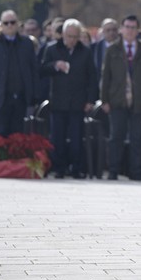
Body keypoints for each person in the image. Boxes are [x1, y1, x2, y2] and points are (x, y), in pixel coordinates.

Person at [100, 15, 141, 180]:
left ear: (138, 30)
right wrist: (104, 100)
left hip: (139, 101)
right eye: (127, 27)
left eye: (133, 28)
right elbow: (106, 77)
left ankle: (136, 172)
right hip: (117, 100)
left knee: (137, 138)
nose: (130, 31)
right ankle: (113, 171)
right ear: (121, 29)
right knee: (116, 137)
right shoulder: (113, 49)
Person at [40, 20, 97, 179]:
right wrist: (55, 65)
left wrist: (90, 100)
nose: (72, 40)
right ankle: (59, 168)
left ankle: (76, 168)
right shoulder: (52, 48)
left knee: (77, 138)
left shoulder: (85, 51)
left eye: (75, 37)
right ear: (63, 34)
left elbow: (92, 77)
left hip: (78, 101)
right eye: (69, 36)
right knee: (57, 137)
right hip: (58, 101)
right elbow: (42, 69)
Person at [0, 10, 40, 136]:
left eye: (12, 22)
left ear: (17, 24)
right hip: (0, 98)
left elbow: (33, 70)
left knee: (19, 134)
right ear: (1, 25)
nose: (10, 25)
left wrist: (34, 94)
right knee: (1, 133)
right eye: (6, 23)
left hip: (21, 97)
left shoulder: (27, 43)